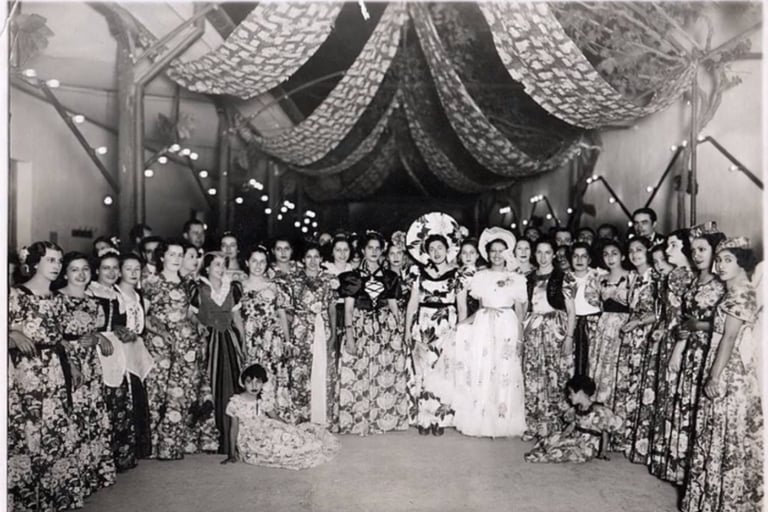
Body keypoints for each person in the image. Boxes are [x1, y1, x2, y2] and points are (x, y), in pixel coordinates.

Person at [682, 237, 763, 512]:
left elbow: (729, 338)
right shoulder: (733, 291)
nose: (721, 265)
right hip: (723, 362)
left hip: (729, 370)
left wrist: (714, 377)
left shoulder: (741, 293)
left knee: (722, 432)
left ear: (742, 263)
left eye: (728, 260)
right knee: (714, 430)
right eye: (719, 260)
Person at [8, 241, 83, 510]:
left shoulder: (58, 299)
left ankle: (55, 496)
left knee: (55, 428)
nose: (56, 266)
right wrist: (12, 333)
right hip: (27, 371)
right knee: (30, 430)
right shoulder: (17, 295)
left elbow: (60, 338)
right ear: (35, 263)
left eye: (59, 261)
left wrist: (72, 365)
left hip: (55, 370)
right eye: (50, 260)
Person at [450, 227, 528, 437]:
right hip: (484, 324)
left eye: (501, 251)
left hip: (507, 324)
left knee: (505, 370)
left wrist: (520, 339)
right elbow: (480, 307)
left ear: (508, 253)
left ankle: (503, 421)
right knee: (482, 368)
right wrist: (462, 324)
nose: (497, 255)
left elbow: (520, 312)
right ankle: (482, 420)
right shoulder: (481, 276)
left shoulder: (517, 278)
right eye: (493, 251)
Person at [664, 226, 726, 484]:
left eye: (703, 249)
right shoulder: (694, 280)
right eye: (694, 250)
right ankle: (682, 468)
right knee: (686, 403)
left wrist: (697, 325)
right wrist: (678, 347)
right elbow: (685, 319)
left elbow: (729, 325)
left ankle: (699, 472)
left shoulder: (721, 284)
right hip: (690, 349)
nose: (697, 255)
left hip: (708, 350)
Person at [57, 251, 117, 501]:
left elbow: (95, 331)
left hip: (91, 363)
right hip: (67, 362)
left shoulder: (93, 303)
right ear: (65, 274)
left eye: (85, 269)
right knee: (73, 416)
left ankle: (93, 472)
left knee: (92, 415)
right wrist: (70, 354)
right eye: (74, 269)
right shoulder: (56, 300)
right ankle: (74, 476)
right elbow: (52, 335)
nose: (80, 274)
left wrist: (97, 337)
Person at [339, 231, 409, 435]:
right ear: (362, 250)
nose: (374, 252)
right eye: (370, 248)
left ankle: (383, 418)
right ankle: (359, 419)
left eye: (378, 248)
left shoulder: (390, 277)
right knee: (359, 370)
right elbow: (349, 309)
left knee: (384, 370)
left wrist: (400, 331)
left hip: (385, 328)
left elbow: (394, 306)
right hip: (361, 326)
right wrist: (350, 336)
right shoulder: (352, 277)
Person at [143, 238, 203, 460]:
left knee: (181, 393)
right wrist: (160, 332)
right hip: (160, 345)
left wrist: (198, 325)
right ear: (162, 257)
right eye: (172, 254)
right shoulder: (152, 282)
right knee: (156, 393)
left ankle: (172, 446)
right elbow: (143, 316)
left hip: (185, 346)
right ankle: (150, 445)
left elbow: (188, 313)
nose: (176, 259)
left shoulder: (187, 283)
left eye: (180, 255)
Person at [221, 363, 340, 469]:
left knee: (287, 435)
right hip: (250, 437)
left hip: (265, 428)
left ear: (263, 383)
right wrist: (231, 454)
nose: (254, 386)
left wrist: (291, 427)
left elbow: (275, 418)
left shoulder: (263, 400)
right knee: (273, 447)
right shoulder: (236, 402)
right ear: (243, 383)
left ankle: (300, 441)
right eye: (249, 382)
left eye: (258, 382)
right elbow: (233, 429)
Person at [648, 229, 696, 478]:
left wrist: (678, 345)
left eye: (673, 245)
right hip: (670, 338)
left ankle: (675, 461)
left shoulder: (685, 276)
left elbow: (686, 318)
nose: (667, 251)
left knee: (675, 396)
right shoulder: (677, 274)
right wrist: (661, 328)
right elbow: (670, 313)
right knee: (668, 395)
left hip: (681, 341)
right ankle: (667, 458)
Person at [405, 230, 460, 436]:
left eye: (440, 248)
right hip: (424, 324)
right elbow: (412, 303)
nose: (436, 252)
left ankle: (441, 419)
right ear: (427, 252)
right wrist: (407, 329)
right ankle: (424, 418)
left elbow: (462, 306)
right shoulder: (418, 273)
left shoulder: (458, 274)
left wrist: (460, 332)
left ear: (448, 250)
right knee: (422, 370)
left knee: (444, 370)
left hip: (447, 324)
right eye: (432, 249)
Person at [190, 252, 245, 454]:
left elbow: (237, 318)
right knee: (211, 383)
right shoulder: (199, 289)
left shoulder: (233, 288)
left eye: (223, 265)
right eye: (216, 265)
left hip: (229, 340)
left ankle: (233, 435)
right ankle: (213, 436)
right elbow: (191, 315)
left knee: (232, 383)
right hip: (210, 341)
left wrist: (243, 343)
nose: (221, 269)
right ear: (207, 268)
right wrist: (199, 325)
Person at [522, 238, 574, 440]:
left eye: (547, 252)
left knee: (555, 375)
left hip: (555, 329)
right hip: (534, 330)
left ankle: (556, 425)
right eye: (539, 252)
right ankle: (534, 424)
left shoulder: (564, 277)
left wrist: (569, 337)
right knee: (533, 374)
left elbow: (571, 311)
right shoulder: (528, 278)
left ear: (554, 255)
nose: (543, 257)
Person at [285, 244, 338, 427]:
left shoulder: (328, 280)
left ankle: (322, 417)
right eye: (309, 257)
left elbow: (332, 308)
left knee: (323, 371)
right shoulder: (293, 281)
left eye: (317, 257)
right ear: (302, 260)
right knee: (300, 372)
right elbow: (288, 310)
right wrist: (290, 336)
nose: (313, 261)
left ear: (322, 259)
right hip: (300, 330)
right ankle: (301, 418)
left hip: (323, 328)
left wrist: (333, 333)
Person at [612, 237, 656, 454]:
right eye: (631, 250)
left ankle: (641, 440)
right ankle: (625, 435)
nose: (635, 254)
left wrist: (639, 322)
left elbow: (663, 312)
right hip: (631, 336)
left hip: (647, 334)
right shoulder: (632, 277)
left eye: (640, 249)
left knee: (642, 384)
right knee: (627, 383)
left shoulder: (656, 276)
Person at [240, 245, 292, 421]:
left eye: (262, 262)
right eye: (254, 261)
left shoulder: (274, 286)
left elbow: (282, 314)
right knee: (252, 377)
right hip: (250, 338)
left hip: (272, 339)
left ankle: (277, 418)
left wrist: (287, 341)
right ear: (247, 262)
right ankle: (254, 419)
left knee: (273, 375)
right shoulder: (239, 286)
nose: (258, 265)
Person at [524, 375, 623, 464]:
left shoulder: (599, 410)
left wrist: (603, 452)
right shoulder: (576, 409)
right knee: (552, 438)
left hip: (586, 446)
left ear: (580, 392)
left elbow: (605, 432)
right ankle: (548, 449)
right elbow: (572, 426)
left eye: (571, 393)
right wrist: (561, 437)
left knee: (567, 452)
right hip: (575, 438)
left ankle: (545, 455)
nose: (569, 396)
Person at [114, 253, 154, 459]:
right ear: (120, 271)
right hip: (120, 349)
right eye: (128, 268)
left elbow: (144, 324)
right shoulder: (115, 294)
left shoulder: (139, 296)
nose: (133, 273)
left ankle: (139, 446)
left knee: (138, 391)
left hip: (136, 348)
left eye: (137, 269)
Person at [590, 239, 633, 415]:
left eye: (614, 253)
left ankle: (619, 411)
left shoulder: (632, 277)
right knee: (602, 364)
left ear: (622, 256)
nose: (610, 258)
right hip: (604, 326)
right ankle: (601, 409)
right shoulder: (600, 279)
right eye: (606, 254)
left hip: (624, 325)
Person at [565, 242, 603, 377]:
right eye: (575, 256)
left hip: (595, 325)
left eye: (584, 256)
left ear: (590, 259)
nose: (579, 260)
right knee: (572, 363)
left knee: (592, 364)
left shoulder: (599, 275)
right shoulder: (566, 278)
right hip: (572, 324)